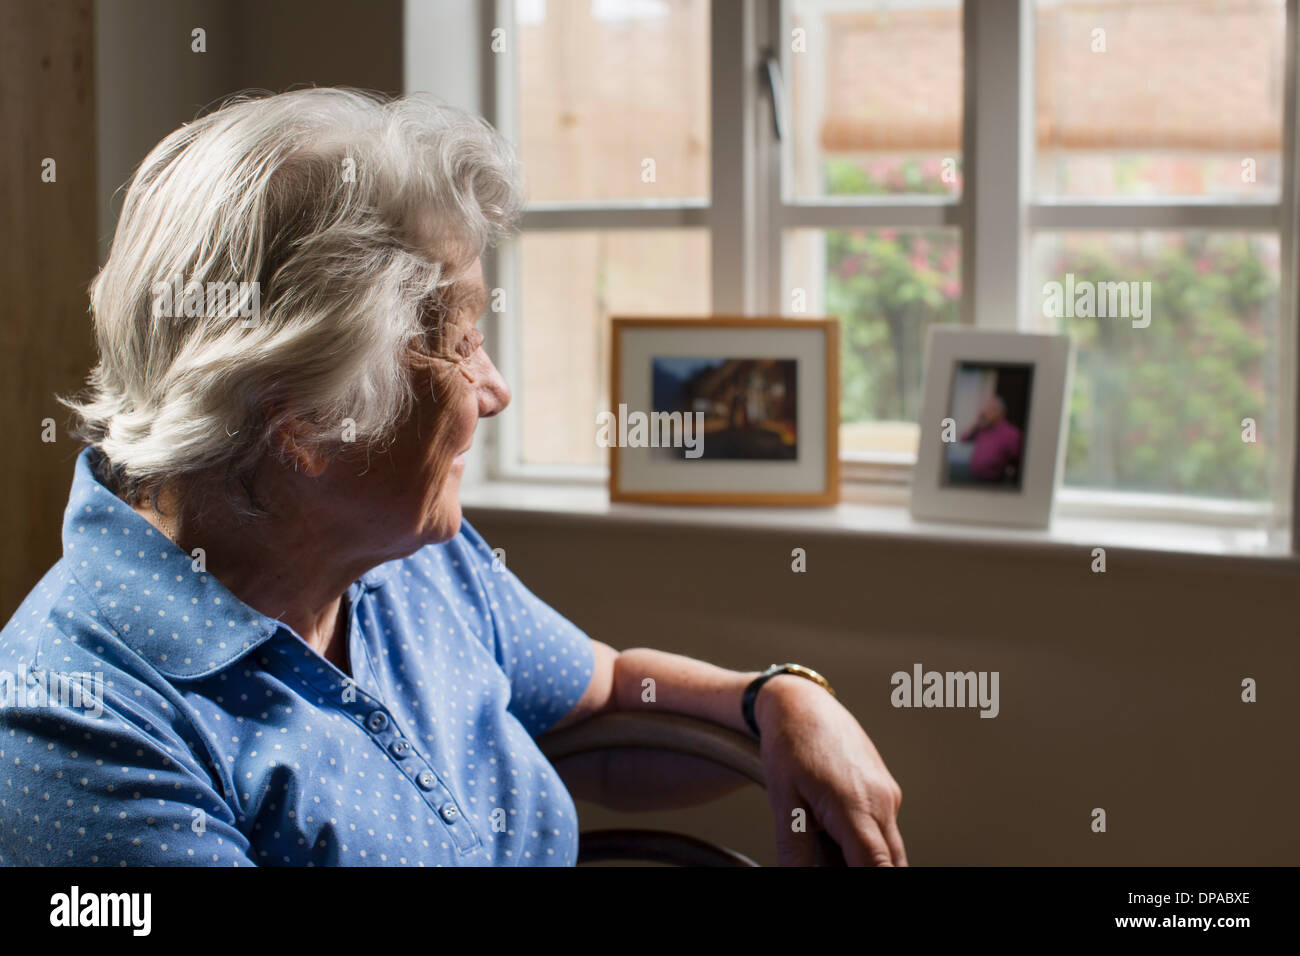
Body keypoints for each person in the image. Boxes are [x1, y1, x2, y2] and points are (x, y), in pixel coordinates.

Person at [0, 89, 905, 867]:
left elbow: (613, 701)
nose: (495, 390)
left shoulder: (403, 562)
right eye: (462, 343)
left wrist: (779, 698)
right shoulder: (84, 727)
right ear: (307, 424)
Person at [960, 394, 1023, 483]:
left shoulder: (1011, 433)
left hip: (995, 483)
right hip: (974, 479)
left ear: (1000, 413)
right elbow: (963, 439)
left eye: (989, 409)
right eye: (985, 409)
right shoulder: (982, 428)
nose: (984, 412)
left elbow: (1017, 460)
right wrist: (976, 424)